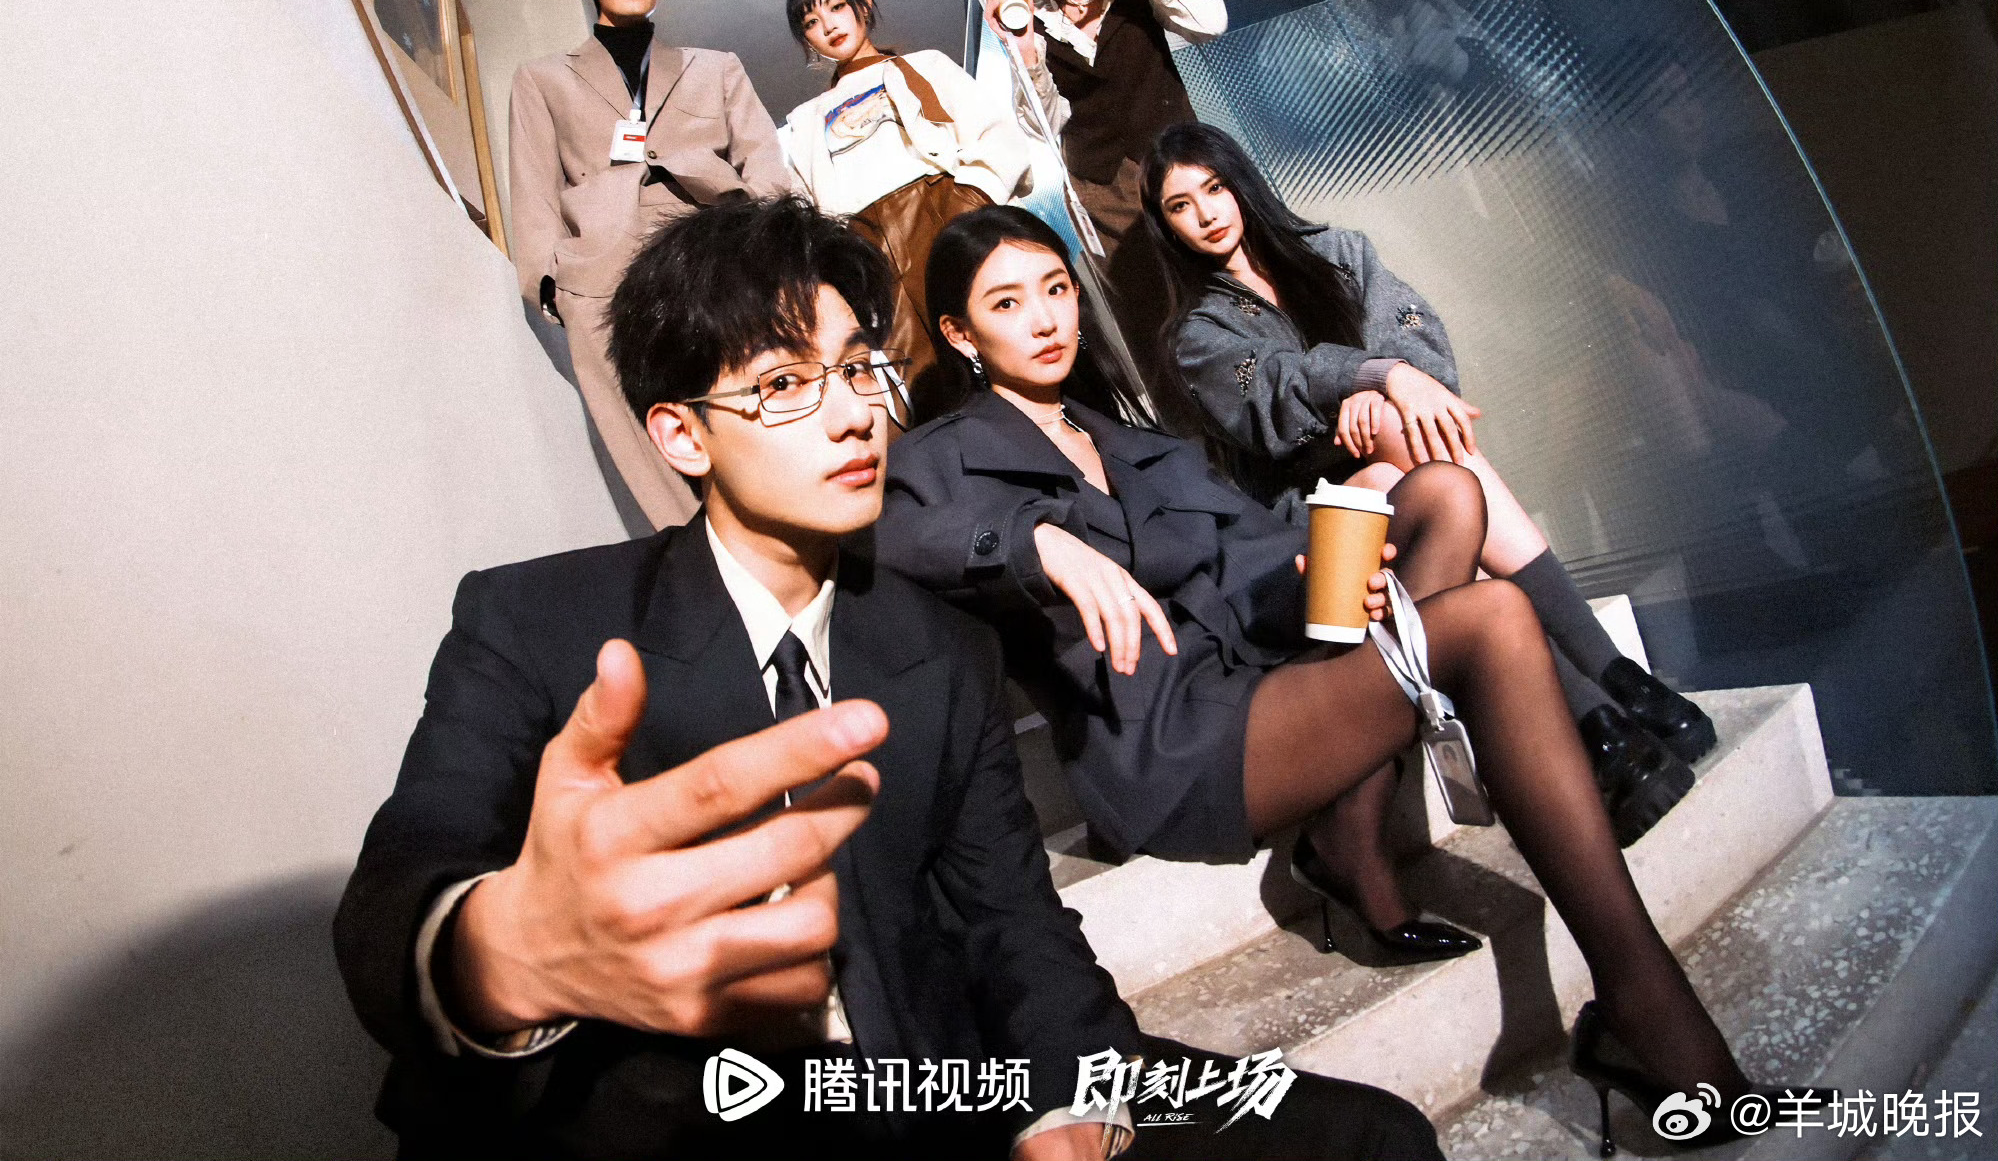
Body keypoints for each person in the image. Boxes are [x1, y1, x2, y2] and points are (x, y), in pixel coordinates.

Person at [333, 197, 1444, 1160]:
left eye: (859, 366)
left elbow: (1014, 920)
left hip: (933, 1080)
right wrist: (494, 956)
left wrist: (1074, 1097)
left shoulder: (939, 647)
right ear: (681, 436)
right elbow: (400, 886)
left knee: (1369, 1137)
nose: (853, 411)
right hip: (656, 1114)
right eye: (782, 382)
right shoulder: (536, 623)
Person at [872, 205, 1763, 1147]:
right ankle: (1652, 1018)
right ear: (960, 334)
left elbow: (1250, 552)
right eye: (1009, 303)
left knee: (1445, 493)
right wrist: (1033, 541)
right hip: (1166, 742)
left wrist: (1321, 572)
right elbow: (884, 534)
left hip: (1258, 680)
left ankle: (1354, 826)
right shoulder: (939, 459)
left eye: (1056, 289)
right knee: (1491, 620)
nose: (1048, 318)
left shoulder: (1130, 438)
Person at [1142, 122, 1717, 845]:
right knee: (1399, 441)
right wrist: (1372, 378)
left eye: (1215, 188)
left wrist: (1388, 382)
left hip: (1406, 483)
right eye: (1181, 205)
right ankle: (1609, 686)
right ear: (1166, 225)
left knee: (1403, 455)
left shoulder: (1340, 253)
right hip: (1313, 536)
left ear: (1242, 183)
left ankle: (1605, 715)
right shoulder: (1197, 334)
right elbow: (1274, 396)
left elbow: (1422, 348)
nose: (1205, 214)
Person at [508, 0, 793, 531]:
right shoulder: (542, 79)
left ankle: (778, 523)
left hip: (710, 242)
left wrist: (775, 246)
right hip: (601, 264)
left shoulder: (715, 66)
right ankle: (696, 544)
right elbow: (533, 186)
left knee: (740, 391)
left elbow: (763, 157)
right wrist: (546, 280)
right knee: (642, 424)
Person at [978, 0, 1226, 405]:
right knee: (1152, 319)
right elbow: (1040, 122)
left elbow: (1209, 22)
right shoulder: (1031, 17)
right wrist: (1026, 56)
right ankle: (1188, 429)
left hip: (1180, 168)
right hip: (1103, 189)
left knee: (1221, 281)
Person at [782, 0, 1032, 415]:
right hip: (867, 248)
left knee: (1001, 344)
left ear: (864, 5)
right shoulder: (805, 119)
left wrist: (969, 202)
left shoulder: (925, 65)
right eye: (812, 22)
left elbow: (997, 135)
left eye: (837, 7)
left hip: (943, 213)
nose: (829, 26)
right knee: (923, 384)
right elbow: (807, 206)